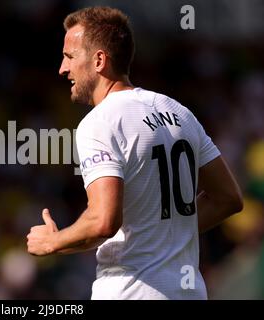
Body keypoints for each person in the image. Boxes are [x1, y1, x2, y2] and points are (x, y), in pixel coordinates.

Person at [26, 6, 243, 300]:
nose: (63, 69)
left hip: (131, 292)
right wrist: (163, 236)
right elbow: (227, 198)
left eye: (69, 57)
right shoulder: (178, 112)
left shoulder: (100, 121)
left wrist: (53, 242)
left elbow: (103, 222)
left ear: (99, 60)